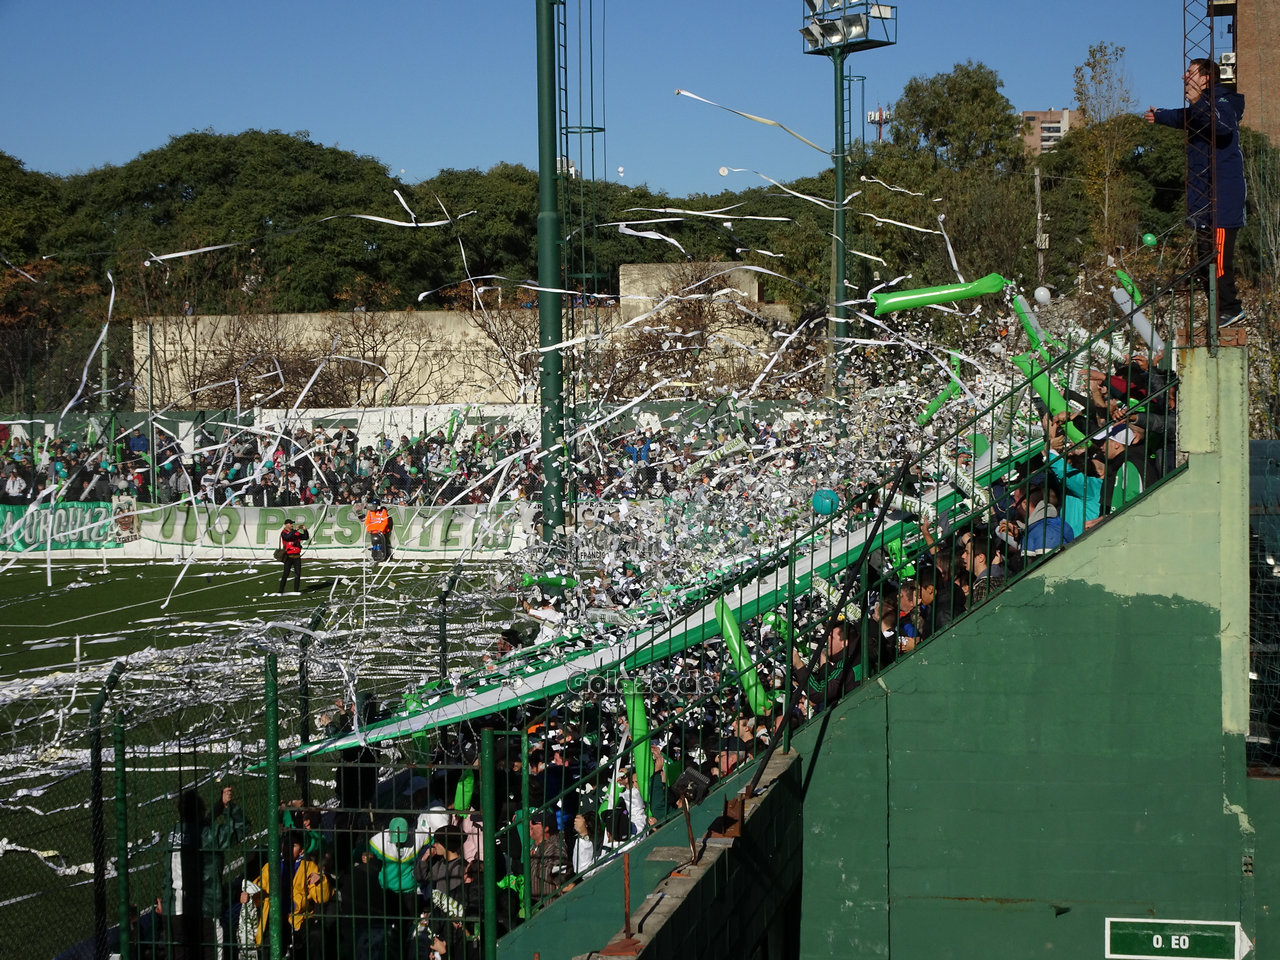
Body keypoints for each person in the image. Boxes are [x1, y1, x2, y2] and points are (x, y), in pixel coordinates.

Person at [1146, 58, 1246, 326]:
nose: (1184, 77)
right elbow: (1183, 117)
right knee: (1204, 260)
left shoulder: (1225, 102)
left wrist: (1199, 102)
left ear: (1205, 78)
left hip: (1223, 198)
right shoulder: (1199, 108)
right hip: (1203, 199)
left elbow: (1221, 126)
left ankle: (1231, 308)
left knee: (1219, 259)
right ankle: (1218, 311)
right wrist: (1159, 115)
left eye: (1190, 72)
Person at [162, 785, 247, 960]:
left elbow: (200, 828)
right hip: (204, 909)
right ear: (201, 810)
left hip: (173, 909)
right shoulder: (207, 835)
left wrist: (219, 805)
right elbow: (241, 828)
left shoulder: (173, 834)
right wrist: (230, 807)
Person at [278, 518, 309, 593]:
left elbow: (305, 537)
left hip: (297, 556)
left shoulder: (296, 533)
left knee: (298, 575)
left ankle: (296, 591)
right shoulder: (284, 533)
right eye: (290, 523)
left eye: (292, 523)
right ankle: (280, 591)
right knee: (286, 574)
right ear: (286, 525)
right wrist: (295, 530)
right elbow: (288, 537)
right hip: (288, 556)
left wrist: (305, 530)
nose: (292, 525)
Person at [361, 498, 393, 564]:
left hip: (381, 532)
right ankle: (374, 555)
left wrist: (380, 530)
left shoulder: (383, 511)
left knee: (382, 544)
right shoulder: (370, 512)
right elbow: (367, 521)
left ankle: (383, 556)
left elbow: (385, 521)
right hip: (373, 532)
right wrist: (369, 529)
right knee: (374, 544)